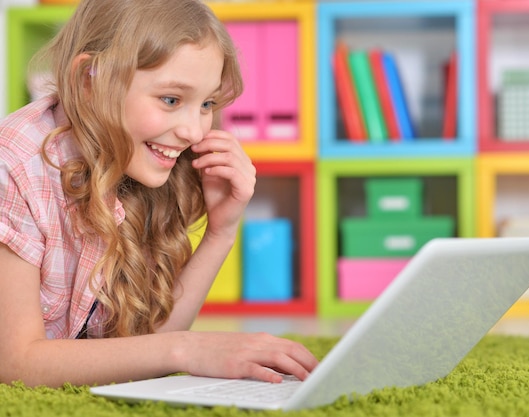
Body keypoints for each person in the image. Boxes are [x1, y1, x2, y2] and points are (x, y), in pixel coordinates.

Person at [0, 0, 318, 388]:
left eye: (206, 104)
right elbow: (16, 363)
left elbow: (145, 344)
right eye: (171, 100)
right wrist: (187, 349)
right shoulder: (14, 163)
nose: (194, 132)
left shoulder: (142, 165)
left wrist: (222, 231)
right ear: (90, 81)